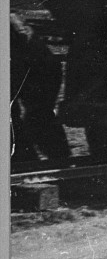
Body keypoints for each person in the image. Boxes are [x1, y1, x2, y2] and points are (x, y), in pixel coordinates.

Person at [10, 13, 72, 163]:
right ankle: (23, 160)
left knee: (38, 115)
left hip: (38, 67)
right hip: (30, 64)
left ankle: (56, 164)